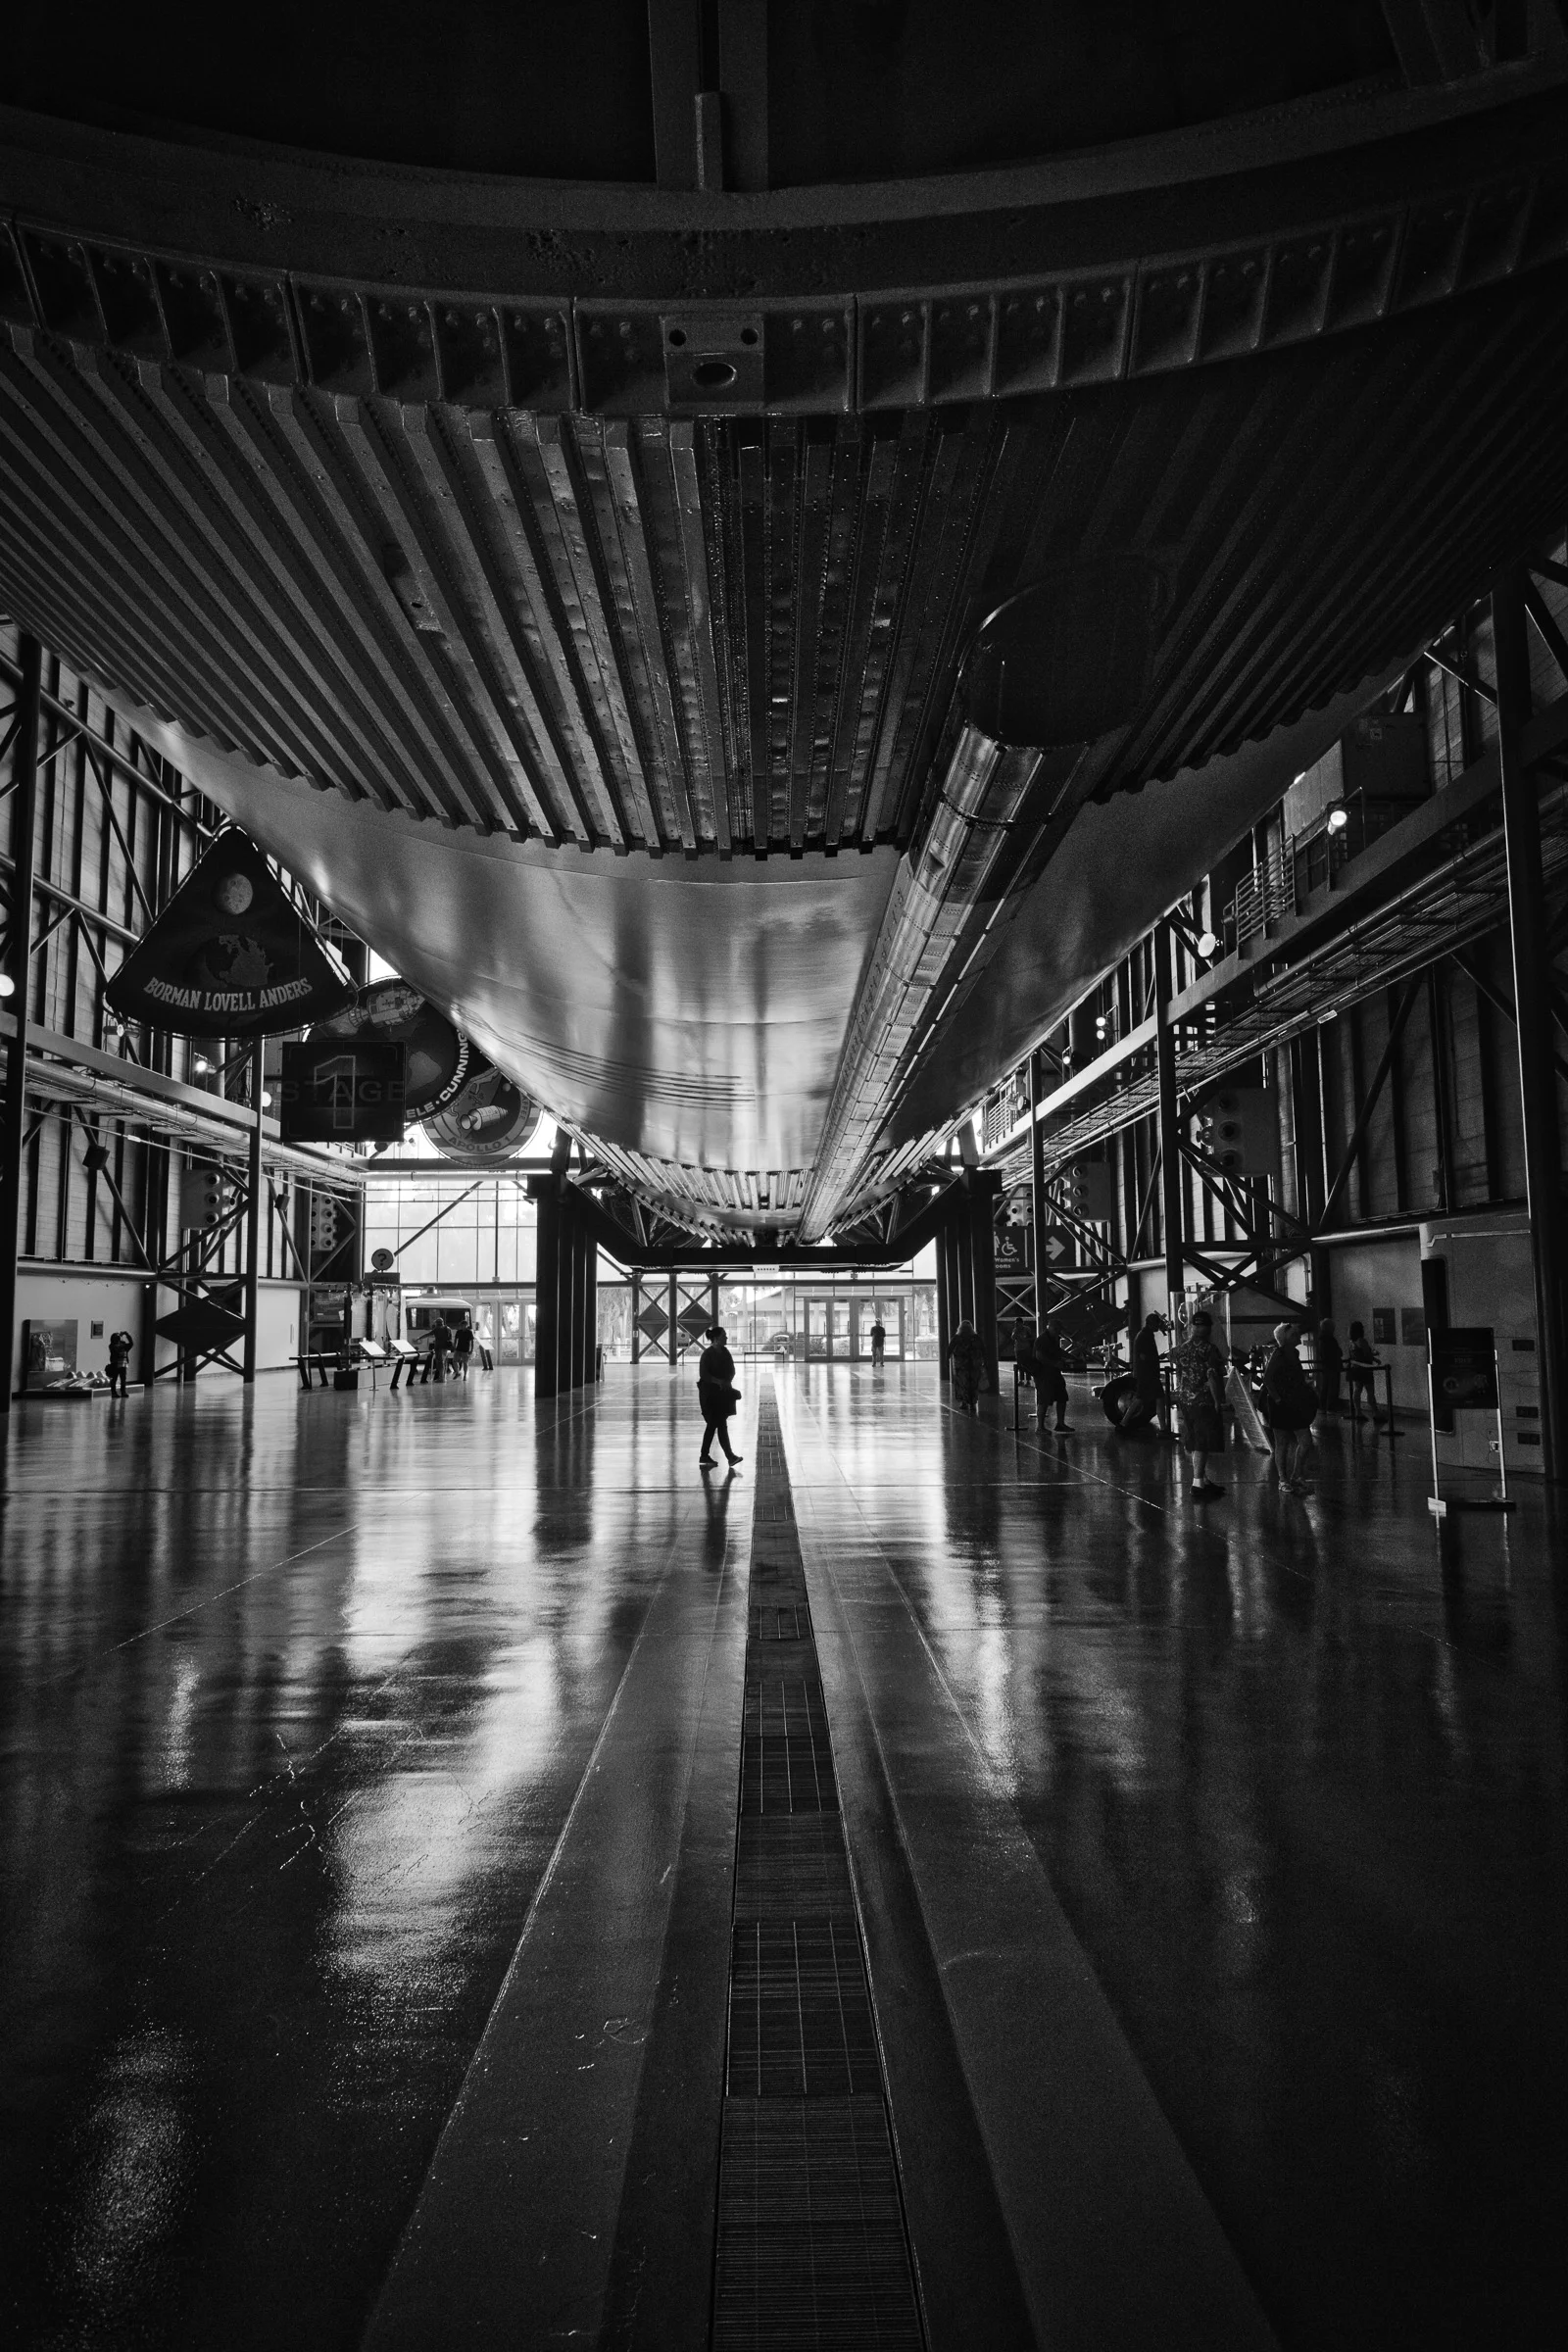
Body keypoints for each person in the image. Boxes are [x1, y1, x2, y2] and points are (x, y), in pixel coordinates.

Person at [1171, 1309, 1228, 1498]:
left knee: (1194, 1439)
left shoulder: (1181, 1349)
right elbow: (1212, 1376)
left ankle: (1203, 1480)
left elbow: (1178, 1371)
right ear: (1208, 1328)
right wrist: (1218, 1400)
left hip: (1185, 1399)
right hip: (1203, 1401)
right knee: (1202, 1442)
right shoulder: (1209, 1349)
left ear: (1192, 1327)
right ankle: (1197, 1484)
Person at [1263, 1320, 1317, 1494]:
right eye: (1294, 1335)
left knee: (1305, 1441)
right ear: (1287, 1338)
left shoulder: (1292, 1353)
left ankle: (1296, 1475)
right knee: (1282, 1443)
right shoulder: (1279, 1355)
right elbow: (1268, 1379)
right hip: (1282, 1405)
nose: (1298, 1337)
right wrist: (1278, 1399)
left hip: (1294, 1403)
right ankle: (1283, 1479)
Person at [697, 1325, 743, 1469]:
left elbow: (732, 1370)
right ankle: (727, 1457)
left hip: (722, 1394)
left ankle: (711, 1456)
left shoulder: (725, 1352)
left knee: (716, 1425)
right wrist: (719, 1382)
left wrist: (727, 1381)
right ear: (716, 1338)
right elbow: (704, 1374)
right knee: (717, 1424)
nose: (726, 1337)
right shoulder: (707, 1354)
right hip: (710, 1395)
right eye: (724, 1335)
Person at [1127, 1310, 1171, 1435]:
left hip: (1144, 1373)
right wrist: (1159, 1358)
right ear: (1152, 1324)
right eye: (1157, 1325)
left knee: (1140, 1398)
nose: (1158, 1328)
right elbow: (1145, 1357)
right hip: (1148, 1374)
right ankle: (1163, 1428)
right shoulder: (1145, 1336)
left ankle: (1123, 1423)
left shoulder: (1143, 1334)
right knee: (1159, 1398)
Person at [1033, 1322, 1071, 1430]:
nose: (1058, 1332)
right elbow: (1039, 1356)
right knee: (1044, 1400)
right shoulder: (1042, 1339)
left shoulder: (1053, 1338)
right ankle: (1040, 1427)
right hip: (1043, 1374)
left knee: (1062, 1397)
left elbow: (1058, 1351)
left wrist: (1072, 1357)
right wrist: (1055, 1363)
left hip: (1054, 1373)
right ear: (1051, 1328)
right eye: (1057, 1330)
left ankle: (1060, 1424)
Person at [948, 1318, 987, 1412]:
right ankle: (972, 1404)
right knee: (973, 1385)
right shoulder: (976, 1337)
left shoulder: (957, 1338)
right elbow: (983, 1349)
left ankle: (964, 1403)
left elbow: (949, 1349)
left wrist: (947, 1359)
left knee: (962, 1384)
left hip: (961, 1367)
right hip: (974, 1366)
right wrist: (984, 1360)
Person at [1347, 1320, 1381, 1424]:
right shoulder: (1362, 1341)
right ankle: (1375, 1413)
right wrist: (1375, 1357)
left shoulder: (1351, 1343)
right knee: (1370, 1391)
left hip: (1355, 1368)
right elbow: (1367, 1354)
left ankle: (1358, 1412)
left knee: (1357, 1390)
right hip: (1365, 1369)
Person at [1314, 1318, 1344, 1418]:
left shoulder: (1321, 1339)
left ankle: (1322, 1407)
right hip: (1333, 1366)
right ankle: (1331, 1408)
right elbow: (1338, 1352)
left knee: (1325, 1387)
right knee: (1333, 1387)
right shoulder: (1330, 1339)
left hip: (1326, 1366)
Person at [106, 1328, 134, 1398]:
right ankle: (113, 1392)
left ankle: (123, 1392)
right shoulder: (112, 1346)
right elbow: (116, 1348)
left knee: (123, 1379)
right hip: (115, 1364)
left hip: (123, 1364)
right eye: (117, 1338)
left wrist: (126, 1334)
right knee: (114, 1378)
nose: (118, 1339)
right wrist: (122, 1343)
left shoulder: (123, 1345)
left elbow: (131, 1343)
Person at [427, 1313, 453, 1385]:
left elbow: (428, 1334)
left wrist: (419, 1338)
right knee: (444, 1362)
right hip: (445, 1347)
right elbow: (450, 1338)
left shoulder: (437, 1329)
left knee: (440, 1363)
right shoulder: (448, 1328)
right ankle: (443, 1377)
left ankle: (441, 1378)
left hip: (439, 1347)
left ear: (438, 1323)